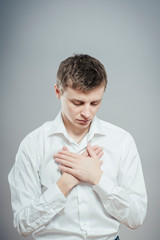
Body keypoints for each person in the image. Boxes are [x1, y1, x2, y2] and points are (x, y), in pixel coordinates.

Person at [8, 54, 147, 240]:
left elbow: (136, 217)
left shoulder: (122, 141)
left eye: (95, 103)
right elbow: (23, 224)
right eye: (77, 103)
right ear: (58, 92)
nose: (87, 113)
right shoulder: (33, 145)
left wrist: (97, 178)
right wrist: (65, 183)